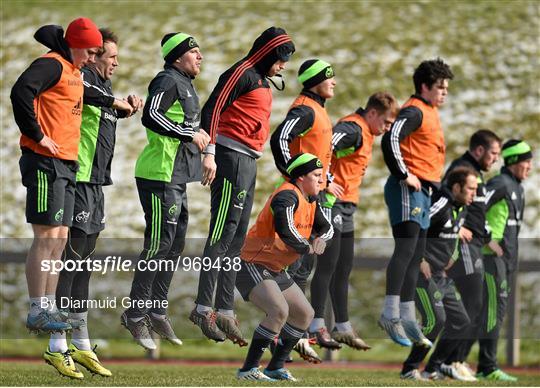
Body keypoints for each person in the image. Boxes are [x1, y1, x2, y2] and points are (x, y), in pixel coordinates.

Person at [43, 28, 142, 379]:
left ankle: (82, 345)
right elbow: (87, 94)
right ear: (94, 56)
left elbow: (101, 110)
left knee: (83, 264)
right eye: (110, 57)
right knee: (70, 263)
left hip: (96, 185)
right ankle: (57, 344)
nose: (115, 63)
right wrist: (118, 103)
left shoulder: (105, 89)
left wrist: (126, 108)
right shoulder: (82, 78)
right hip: (79, 179)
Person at [190, 27, 295, 345]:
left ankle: (224, 308)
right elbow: (212, 108)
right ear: (267, 53)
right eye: (280, 59)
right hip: (229, 157)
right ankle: (202, 306)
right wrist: (209, 153)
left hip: (249, 163)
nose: (282, 67)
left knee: (236, 240)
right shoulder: (242, 72)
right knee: (221, 235)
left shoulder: (262, 81)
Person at [11, 18, 101, 332]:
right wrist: (36, 135)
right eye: (90, 52)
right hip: (44, 163)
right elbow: (20, 91)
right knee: (46, 237)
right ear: (75, 45)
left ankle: (49, 306)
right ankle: (37, 308)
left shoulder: (74, 70)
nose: (93, 58)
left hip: (66, 163)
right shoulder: (51, 65)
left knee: (60, 238)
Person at [121, 32, 209, 350]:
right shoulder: (167, 80)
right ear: (177, 56)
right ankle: (135, 313)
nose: (200, 57)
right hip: (157, 175)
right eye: (194, 52)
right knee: (158, 245)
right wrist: (188, 132)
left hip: (177, 177)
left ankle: (157, 309)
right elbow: (151, 115)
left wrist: (206, 155)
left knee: (175, 245)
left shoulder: (186, 83)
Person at [308, 92, 398, 350]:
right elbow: (325, 146)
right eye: (386, 122)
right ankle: (315, 324)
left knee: (344, 265)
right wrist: (327, 180)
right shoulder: (353, 128)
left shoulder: (366, 133)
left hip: (346, 206)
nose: (387, 128)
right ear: (372, 114)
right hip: (330, 204)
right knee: (327, 265)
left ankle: (342, 325)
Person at [235, 153, 333, 381]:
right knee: (279, 311)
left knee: (304, 314)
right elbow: (286, 230)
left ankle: (275, 368)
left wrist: (322, 239)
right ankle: (248, 370)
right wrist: (307, 246)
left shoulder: (310, 199)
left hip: (274, 267)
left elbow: (327, 227)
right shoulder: (286, 197)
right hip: (252, 262)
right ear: (300, 178)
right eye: (316, 175)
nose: (321, 181)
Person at [379, 58, 454, 347]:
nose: (444, 92)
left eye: (447, 87)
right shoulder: (414, 110)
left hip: (424, 192)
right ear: (424, 86)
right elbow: (391, 139)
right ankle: (390, 313)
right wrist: (404, 173)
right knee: (406, 250)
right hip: (408, 189)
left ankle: (408, 316)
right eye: (440, 87)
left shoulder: (431, 111)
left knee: (416, 253)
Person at [269, 58, 337, 360]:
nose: (334, 82)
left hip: (314, 195)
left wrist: (328, 179)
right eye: (328, 77)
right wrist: (293, 177)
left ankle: (290, 334)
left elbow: (317, 155)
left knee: (304, 266)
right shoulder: (306, 109)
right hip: (302, 197)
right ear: (314, 81)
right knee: (295, 265)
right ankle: (280, 334)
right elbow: (280, 137)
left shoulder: (319, 110)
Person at [399, 167, 477, 381]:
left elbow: (447, 229)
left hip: (441, 276)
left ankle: (433, 367)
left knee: (462, 321)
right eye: (470, 189)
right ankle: (409, 369)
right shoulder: (441, 202)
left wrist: (453, 245)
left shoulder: (461, 208)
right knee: (436, 319)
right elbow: (419, 225)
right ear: (456, 187)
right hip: (421, 274)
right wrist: (420, 259)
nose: (474, 193)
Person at [442, 129, 501, 379]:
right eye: (494, 153)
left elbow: (477, 211)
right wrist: (459, 228)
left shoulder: (476, 173)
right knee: (472, 305)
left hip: (476, 244)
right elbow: (445, 200)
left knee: (476, 306)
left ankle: (452, 360)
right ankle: (451, 361)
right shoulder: (462, 168)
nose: (496, 159)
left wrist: (487, 237)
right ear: (479, 150)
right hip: (466, 248)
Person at [474, 140, 532, 381]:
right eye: (526, 161)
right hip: (491, 260)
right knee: (491, 313)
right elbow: (475, 208)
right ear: (512, 161)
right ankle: (486, 366)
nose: (530, 166)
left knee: (495, 312)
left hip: (507, 261)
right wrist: (488, 239)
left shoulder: (517, 187)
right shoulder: (500, 183)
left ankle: (474, 363)